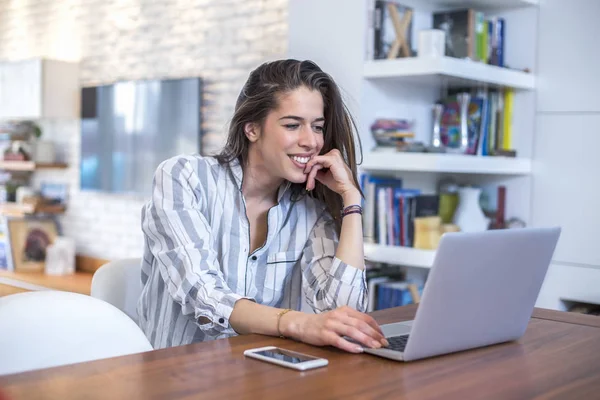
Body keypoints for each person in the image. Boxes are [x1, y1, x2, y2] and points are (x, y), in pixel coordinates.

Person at [138, 59, 388, 353]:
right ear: (252, 129)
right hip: (176, 378)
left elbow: (344, 313)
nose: (311, 141)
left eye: (317, 127)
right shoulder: (184, 178)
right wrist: (298, 323)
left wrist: (351, 200)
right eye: (293, 125)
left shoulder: (309, 211)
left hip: (262, 377)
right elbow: (203, 295)